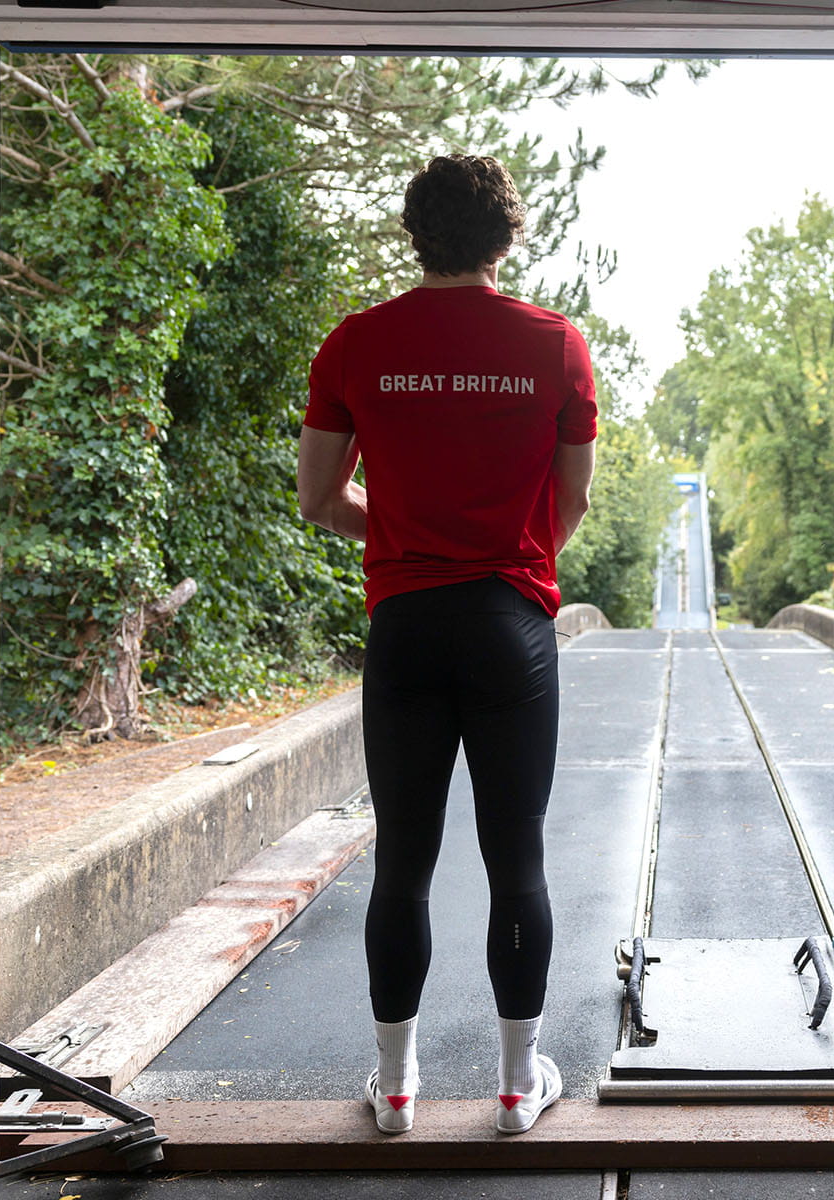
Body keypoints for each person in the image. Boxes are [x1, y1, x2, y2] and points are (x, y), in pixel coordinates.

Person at [296, 154, 597, 1137]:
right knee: (516, 862)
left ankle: (395, 1089)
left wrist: (403, 536)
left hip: (407, 629)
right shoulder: (557, 346)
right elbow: (573, 500)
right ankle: (515, 1089)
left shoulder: (354, 345)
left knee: (403, 864)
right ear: (507, 239)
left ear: (413, 233)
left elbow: (319, 499)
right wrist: (505, 559)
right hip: (510, 624)